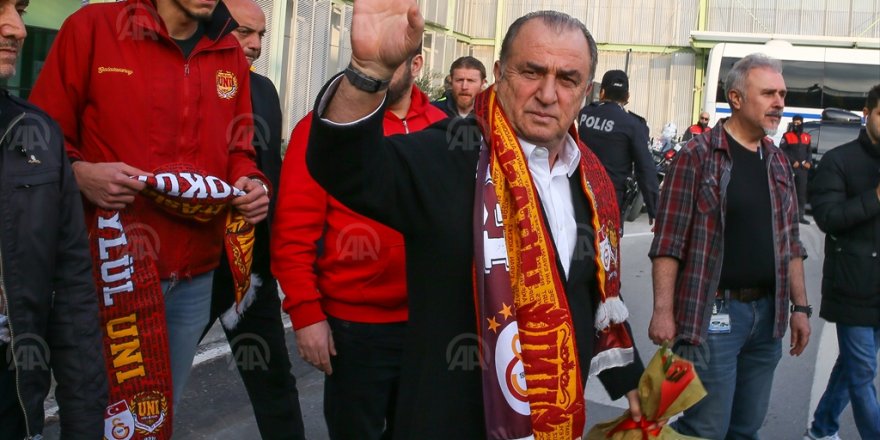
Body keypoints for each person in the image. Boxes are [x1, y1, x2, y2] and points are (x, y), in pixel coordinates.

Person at [303, 2, 645, 438]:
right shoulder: (450, 152)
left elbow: (589, 285)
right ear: (499, 74)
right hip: (453, 421)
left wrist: (628, 378)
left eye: (567, 79)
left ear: (586, 91)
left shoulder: (590, 178)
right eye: (531, 72)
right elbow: (343, 167)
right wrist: (367, 73)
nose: (547, 94)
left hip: (554, 418)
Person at [29, 0, 269, 416]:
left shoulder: (227, 49)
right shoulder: (92, 28)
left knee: (153, 418)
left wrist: (251, 182)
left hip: (194, 277)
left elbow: (239, 150)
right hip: (108, 273)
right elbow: (40, 142)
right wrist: (80, 174)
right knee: (94, 415)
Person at [272, 42, 446, 439]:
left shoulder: (442, 128)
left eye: (389, 62)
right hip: (355, 329)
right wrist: (307, 315)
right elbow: (292, 232)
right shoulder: (325, 129)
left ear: (417, 65)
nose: (374, 71)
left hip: (429, 325)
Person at [648, 53, 811, 439]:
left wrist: (801, 308)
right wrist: (663, 312)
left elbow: (790, 242)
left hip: (768, 318)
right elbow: (669, 240)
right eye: (768, 93)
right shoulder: (697, 155)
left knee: (747, 428)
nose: (779, 103)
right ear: (736, 98)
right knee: (705, 428)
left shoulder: (777, 161)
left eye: (782, 94)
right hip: (713, 317)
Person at [0, 2, 108, 438]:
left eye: (20, 9)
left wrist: (84, 425)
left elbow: (73, 294)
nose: (18, 29)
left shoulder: (37, 136)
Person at [198, 0, 305, 438]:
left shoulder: (264, 91)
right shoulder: (188, 81)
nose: (256, 44)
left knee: (275, 382)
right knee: (156, 381)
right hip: (195, 265)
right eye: (244, 32)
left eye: (261, 34)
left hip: (251, 268)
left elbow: (270, 171)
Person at [804, 83, 880, 440]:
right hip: (852, 286)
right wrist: (876, 196)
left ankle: (822, 429)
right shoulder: (839, 160)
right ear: (867, 114)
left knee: (851, 369)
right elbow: (828, 218)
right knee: (862, 371)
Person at [578, 69, 659, 223]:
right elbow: (645, 168)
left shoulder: (584, 114)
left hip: (580, 195)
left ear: (602, 92)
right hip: (610, 201)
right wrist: (653, 208)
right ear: (627, 96)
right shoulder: (633, 125)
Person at [781, 114, 813, 225]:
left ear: (802, 123)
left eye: (798, 123)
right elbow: (782, 151)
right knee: (788, 192)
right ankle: (787, 216)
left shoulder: (807, 137)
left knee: (801, 193)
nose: (796, 125)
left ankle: (800, 216)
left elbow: (809, 151)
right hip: (791, 168)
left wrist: (809, 162)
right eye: (794, 122)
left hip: (803, 170)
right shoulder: (787, 136)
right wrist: (792, 161)